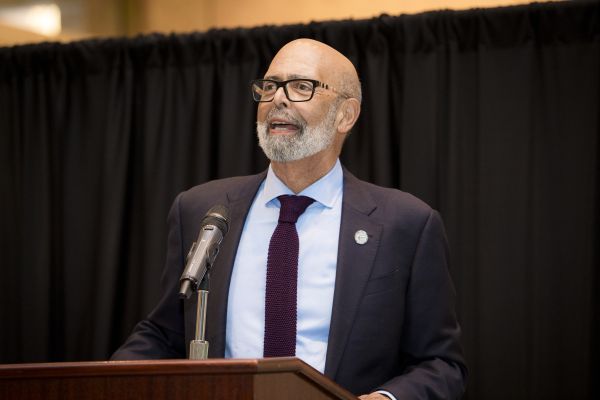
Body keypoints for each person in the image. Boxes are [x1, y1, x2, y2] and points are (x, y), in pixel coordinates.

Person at [112, 38, 467, 400]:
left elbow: (440, 364)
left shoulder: (405, 224)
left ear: (346, 114)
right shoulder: (202, 210)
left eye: (301, 86)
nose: (278, 99)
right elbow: (164, 334)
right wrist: (108, 381)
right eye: (269, 86)